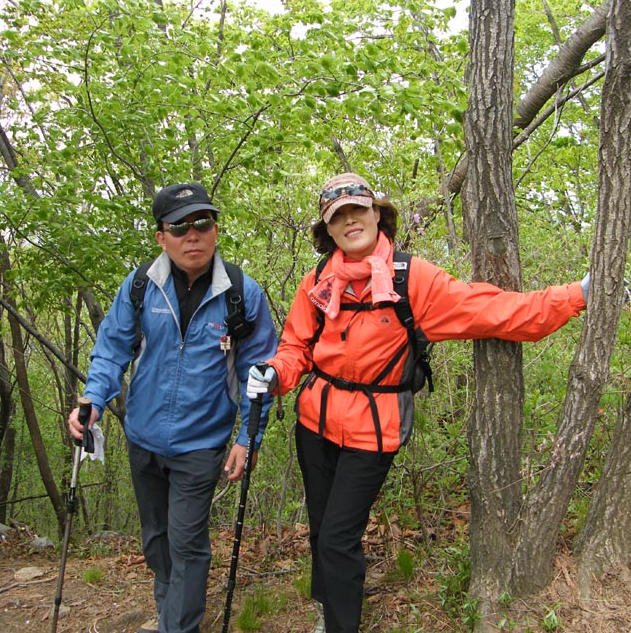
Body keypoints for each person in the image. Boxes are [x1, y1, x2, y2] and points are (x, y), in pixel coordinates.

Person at [246, 173, 588, 633]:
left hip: (374, 429)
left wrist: (574, 296)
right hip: (314, 423)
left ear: (377, 215)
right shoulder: (318, 282)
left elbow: (490, 310)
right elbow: (296, 348)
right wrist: (274, 373)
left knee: (338, 537)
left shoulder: (413, 279)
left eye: (358, 211)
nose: (350, 222)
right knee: (320, 529)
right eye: (338, 216)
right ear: (327, 230)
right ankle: (329, 609)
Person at [68, 182, 278, 633]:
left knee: (186, 543)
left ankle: (178, 627)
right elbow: (111, 349)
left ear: (216, 230)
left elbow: (259, 374)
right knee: (157, 543)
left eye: (202, 223)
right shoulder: (142, 285)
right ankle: (172, 615)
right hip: (142, 438)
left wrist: (247, 438)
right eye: (179, 227)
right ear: (161, 236)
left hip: (201, 445)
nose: (193, 235)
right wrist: (94, 399)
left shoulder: (242, 293)